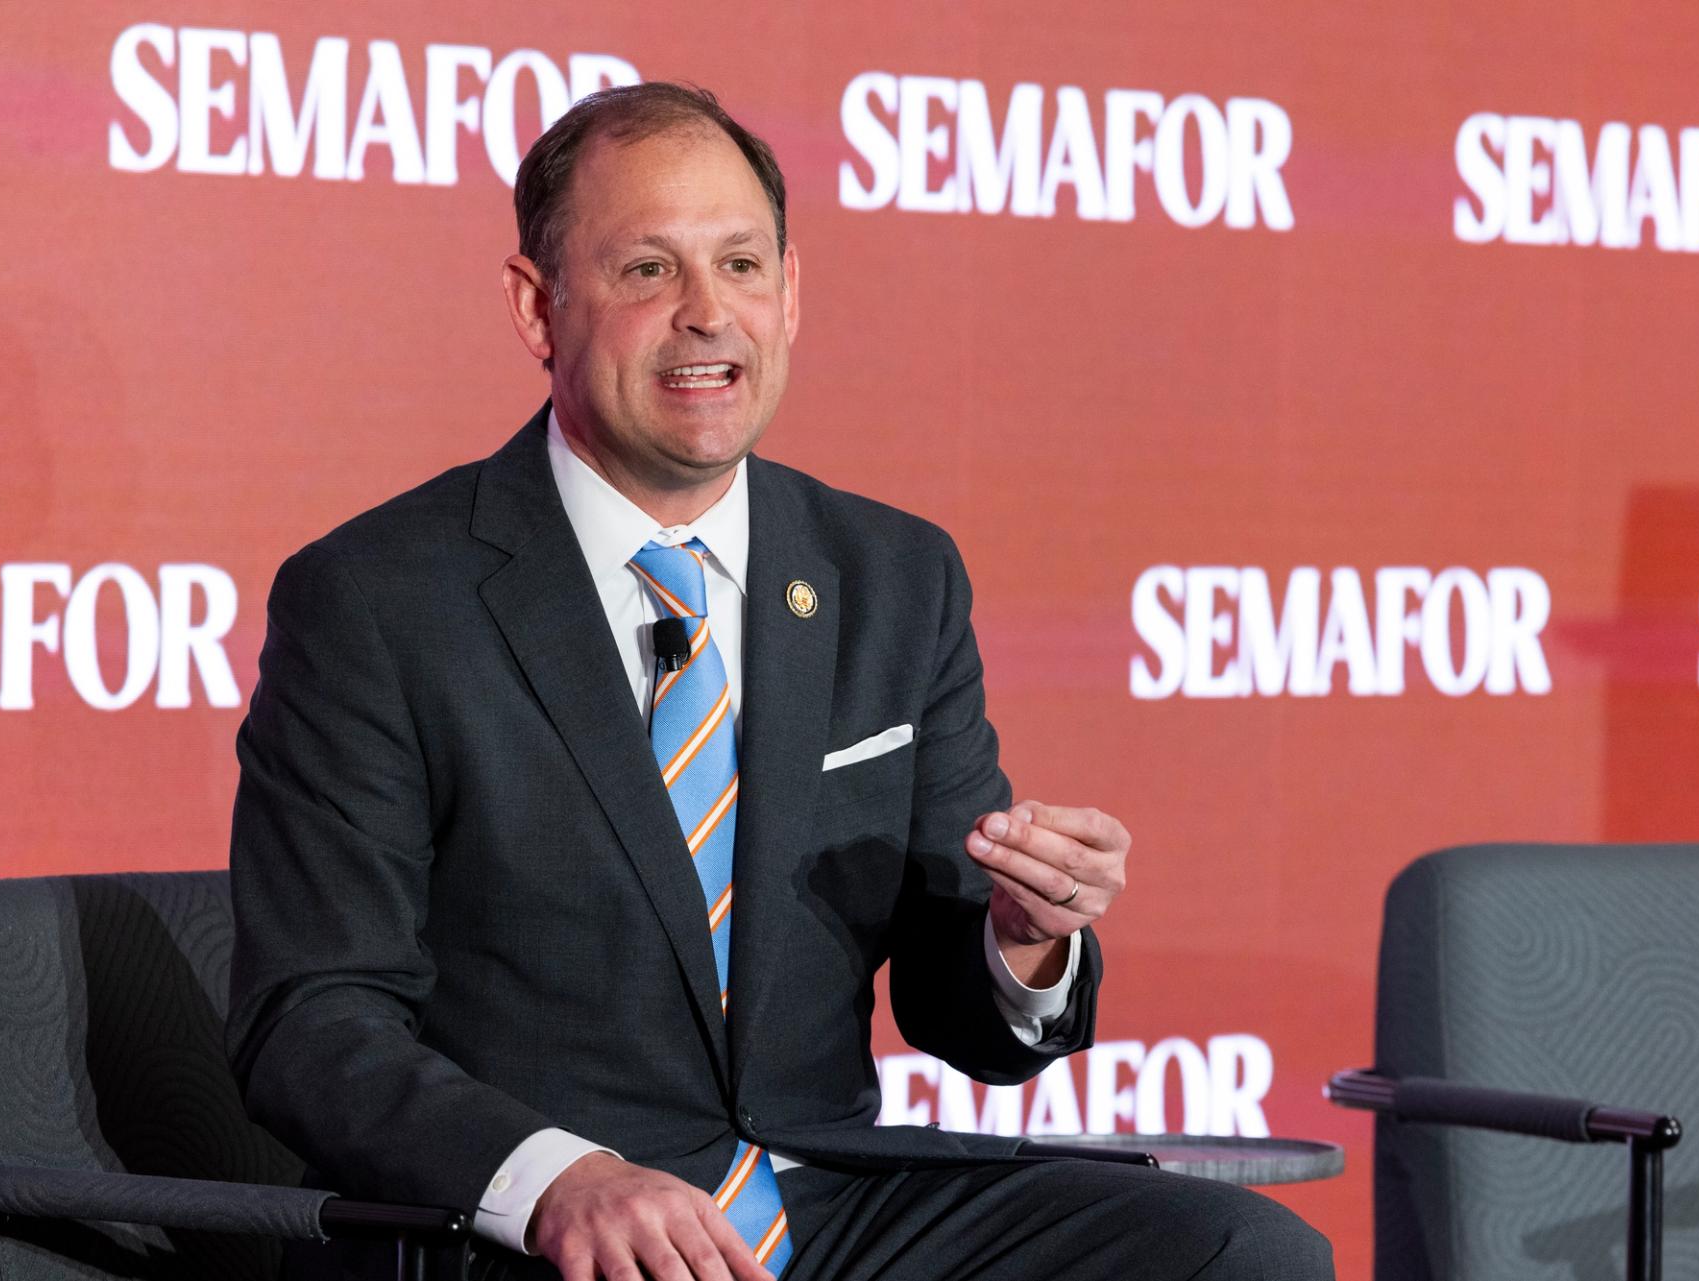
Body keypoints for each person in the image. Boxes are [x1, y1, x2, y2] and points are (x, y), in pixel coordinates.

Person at [226, 82, 1333, 1281]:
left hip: (832, 1199)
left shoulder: (895, 576)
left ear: (790, 295)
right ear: (537, 306)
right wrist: (557, 1181)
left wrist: (1020, 943)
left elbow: (959, 1013)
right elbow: (311, 1019)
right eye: (647, 271)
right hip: (551, 1234)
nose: (707, 315)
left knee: (1236, 1251)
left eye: (742, 265)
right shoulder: (380, 599)